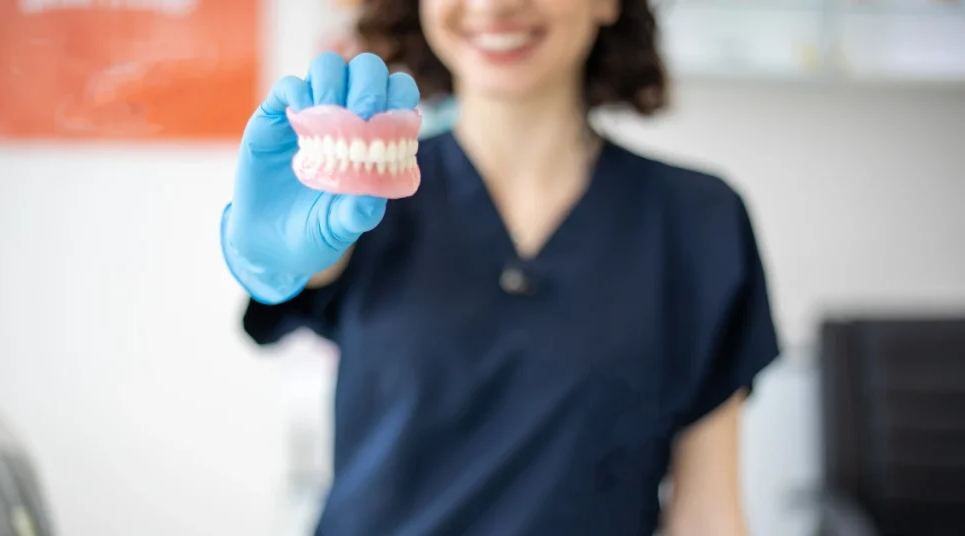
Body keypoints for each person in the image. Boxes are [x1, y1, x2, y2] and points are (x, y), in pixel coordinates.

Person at [221, 0, 780, 534]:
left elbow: (707, 515)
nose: (494, 6)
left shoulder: (698, 220)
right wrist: (267, 259)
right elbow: (292, 274)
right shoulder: (362, 197)